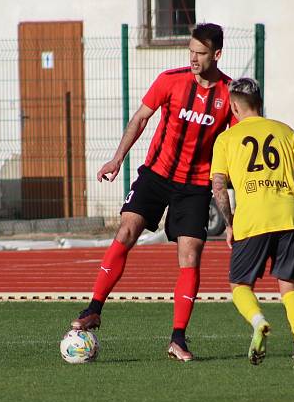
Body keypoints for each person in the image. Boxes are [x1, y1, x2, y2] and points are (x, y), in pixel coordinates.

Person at [71, 23, 234, 362]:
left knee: (190, 256)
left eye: (200, 54)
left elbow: (237, 145)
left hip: (195, 186)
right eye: (190, 51)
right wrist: (117, 159)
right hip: (157, 175)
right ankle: (94, 308)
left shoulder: (229, 95)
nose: (193, 58)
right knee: (126, 230)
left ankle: (178, 338)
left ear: (216, 55)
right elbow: (141, 118)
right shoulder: (170, 80)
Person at [209, 77, 294, 369]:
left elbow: (219, 185)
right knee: (290, 289)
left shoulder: (227, 139)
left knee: (239, 284)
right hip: (287, 214)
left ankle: (258, 321)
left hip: (252, 218)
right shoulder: (284, 131)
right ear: (260, 102)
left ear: (233, 107)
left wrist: (229, 223)